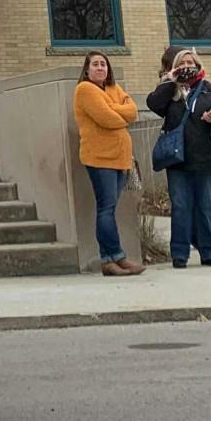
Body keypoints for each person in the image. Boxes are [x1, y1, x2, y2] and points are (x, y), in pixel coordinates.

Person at [147, 48, 211, 268]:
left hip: (207, 158)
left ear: (198, 64)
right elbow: (153, 104)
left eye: (191, 62)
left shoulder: (209, 89)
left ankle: (208, 252)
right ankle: (179, 253)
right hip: (178, 160)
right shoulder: (171, 92)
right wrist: (169, 81)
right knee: (181, 206)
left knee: (206, 206)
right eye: (182, 63)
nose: (187, 66)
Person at [74, 50, 145, 276]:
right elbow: (107, 118)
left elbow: (133, 112)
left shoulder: (114, 89)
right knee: (106, 208)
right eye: (95, 64)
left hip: (120, 158)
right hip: (100, 158)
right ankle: (115, 257)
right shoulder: (85, 90)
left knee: (110, 209)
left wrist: (118, 111)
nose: (100, 68)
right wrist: (119, 112)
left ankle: (111, 260)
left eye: (103, 64)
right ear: (87, 70)